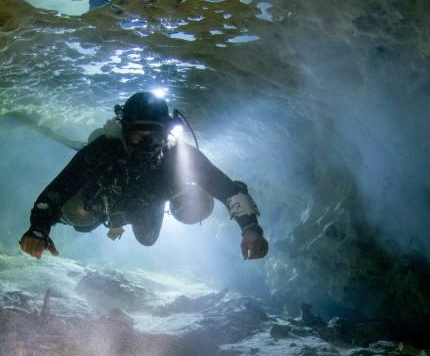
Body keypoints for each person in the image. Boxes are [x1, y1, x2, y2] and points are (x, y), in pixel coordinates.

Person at [20, 91, 269, 260]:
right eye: (138, 136)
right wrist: (39, 229)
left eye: (154, 135)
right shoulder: (104, 150)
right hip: (105, 205)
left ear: (168, 132)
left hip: (148, 206)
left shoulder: (179, 155)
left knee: (150, 238)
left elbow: (227, 189)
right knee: (78, 217)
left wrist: (250, 228)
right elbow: (57, 190)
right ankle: (84, 217)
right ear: (124, 131)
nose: (146, 144)